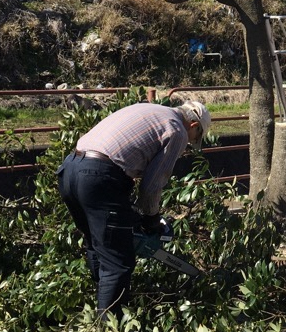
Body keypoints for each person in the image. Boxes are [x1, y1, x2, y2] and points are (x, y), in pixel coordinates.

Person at [57, 98, 211, 315]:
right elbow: (152, 185)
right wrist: (151, 219)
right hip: (99, 176)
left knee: (97, 245)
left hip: (70, 169)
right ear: (194, 126)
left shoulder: (150, 109)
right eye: (193, 139)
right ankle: (110, 330)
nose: (188, 144)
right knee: (118, 262)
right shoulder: (177, 130)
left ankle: (99, 314)